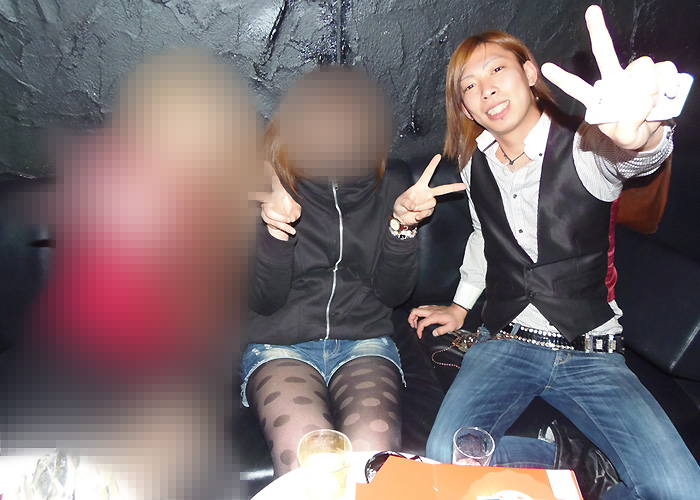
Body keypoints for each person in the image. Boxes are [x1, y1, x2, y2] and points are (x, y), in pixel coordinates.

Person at [409, 5, 700, 499]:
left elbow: (632, 156)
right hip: (505, 342)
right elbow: (483, 236)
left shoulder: (588, 146)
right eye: (469, 86)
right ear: (467, 109)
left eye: (497, 69)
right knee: (447, 458)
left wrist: (645, 134)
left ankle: (577, 473)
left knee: (681, 490)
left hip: (590, 353)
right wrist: (460, 307)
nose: (486, 89)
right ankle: (571, 464)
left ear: (528, 73)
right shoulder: (473, 166)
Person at [243, 66, 465, 476]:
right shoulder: (268, 188)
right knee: (309, 466)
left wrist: (401, 228)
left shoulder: (389, 188)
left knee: (370, 462)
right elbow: (264, 301)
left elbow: (392, 295)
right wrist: (275, 233)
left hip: (364, 343)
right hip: (280, 346)